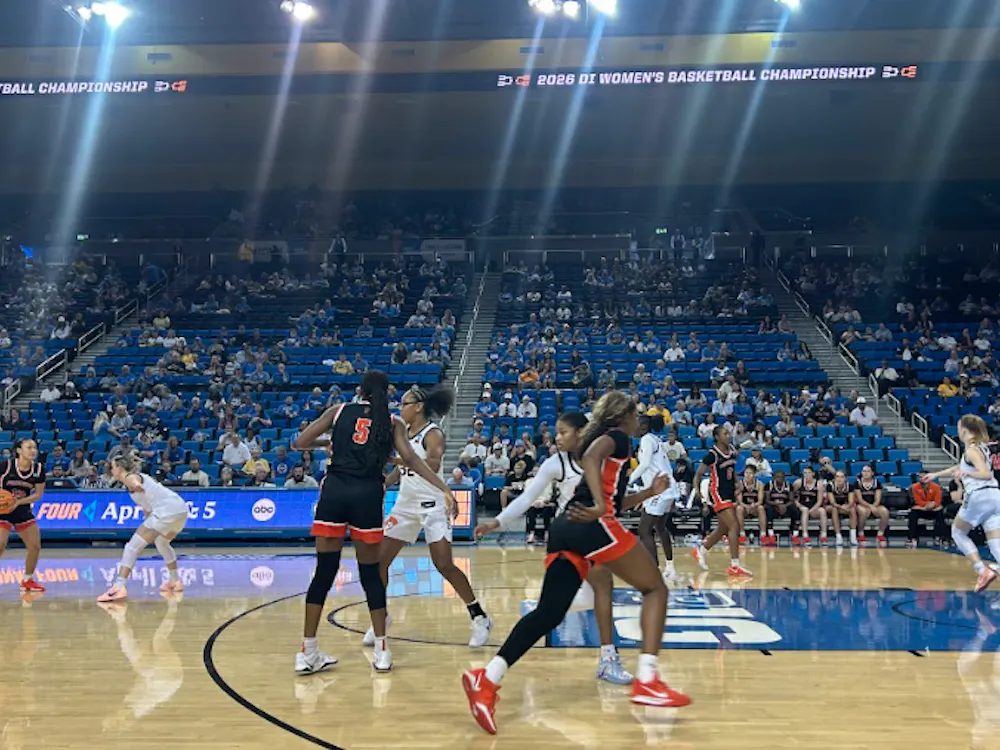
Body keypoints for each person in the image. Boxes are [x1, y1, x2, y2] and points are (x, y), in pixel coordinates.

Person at [462, 393, 690, 736]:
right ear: (624, 415)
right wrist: (600, 505)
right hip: (592, 524)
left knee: (549, 613)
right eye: (635, 413)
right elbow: (595, 464)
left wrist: (645, 493)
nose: (638, 418)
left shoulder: (610, 446)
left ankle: (487, 678)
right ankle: (648, 680)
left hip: (565, 528)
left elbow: (615, 497)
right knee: (655, 588)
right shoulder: (617, 438)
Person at [291, 370, 455, 675]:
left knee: (324, 574)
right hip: (367, 495)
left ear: (360, 391)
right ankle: (382, 651)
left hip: (334, 493)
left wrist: (331, 445)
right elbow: (413, 461)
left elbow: (300, 442)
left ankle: (307, 652)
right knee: (371, 574)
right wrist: (444, 488)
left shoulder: (338, 411)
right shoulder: (394, 423)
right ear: (388, 394)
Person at [475, 411, 634, 685]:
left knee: (595, 592)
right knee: (597, 590)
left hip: (594, 534)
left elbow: (616, 503)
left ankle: (604, 654)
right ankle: (607, 658)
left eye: (563, 432)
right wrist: (496, 522)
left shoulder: (604, 457)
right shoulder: (556, 463)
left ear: (582, 432)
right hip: (569, 536)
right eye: (556, 433)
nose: (556, 438)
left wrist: (649, 493)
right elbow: (527, 498)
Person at [362, 386, 493, 650]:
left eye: (405, 403)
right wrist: (384, 483)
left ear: (418, 406)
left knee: (443, 564)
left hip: (433, 505)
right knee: (378, 563)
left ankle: (479, 617)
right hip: (405, 505)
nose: (400, 407)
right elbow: (402, 472)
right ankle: (382, 616)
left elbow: (431, 464)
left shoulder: (433, 433)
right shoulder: (402, 433)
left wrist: (399, 460)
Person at [921, 415, 1000, 591]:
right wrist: (935, 475)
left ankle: (982, 570)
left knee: (957, 532)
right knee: (995, 542)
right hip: (995, 497)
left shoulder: (972, 450)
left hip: (979, 496)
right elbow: (960, 467)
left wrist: (967, 475)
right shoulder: (981, 448)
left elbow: (985, 474)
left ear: (964, 429)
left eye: (958, 427)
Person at [97, 452, 189, 602]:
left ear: (119, 468)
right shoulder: (137, 478)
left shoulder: (129, 478)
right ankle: (174, 581)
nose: (111, 470)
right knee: (161, 543)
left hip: (166, 510)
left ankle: (119, 587)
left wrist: (136, 485)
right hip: (180, 510)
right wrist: (149, 529)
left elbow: (134, 482)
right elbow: (147, 509)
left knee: (132, 547)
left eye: (112, 467)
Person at [692, 426, 752, 576]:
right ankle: (735, 565)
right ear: (717, 437)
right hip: (717, 492)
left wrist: (737, 482)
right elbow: (698, 474)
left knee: (722, 529)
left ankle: (701, 550)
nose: (728, 435)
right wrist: (698, 492)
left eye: (728, 432)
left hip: (730, 491)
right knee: (734, 525)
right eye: (725, 433)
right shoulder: (712, 454)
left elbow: (731, 470)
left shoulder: (731, 450)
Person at [630, 414, 678, 579]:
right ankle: (670, 568)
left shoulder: (646, 440)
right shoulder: (654, 439)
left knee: (644, 530)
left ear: (643, 427)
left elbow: (644, 465)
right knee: (660, 528)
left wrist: (629, 480)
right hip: (665, 489)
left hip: (661, 490)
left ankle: (654, 572)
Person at [0, 438, 47, 593]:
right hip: (2, 510)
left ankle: (27, 580)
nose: (33, 450)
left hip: (22, 509)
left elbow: (38, 495)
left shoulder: (39, 469)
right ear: (19, 450)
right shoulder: (5, 466)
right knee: (0, 544)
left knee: (35, 546)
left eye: (34, 447)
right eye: (29, 447)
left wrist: (18, 502)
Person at [791, 466, 827, 546]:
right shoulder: (798, 482)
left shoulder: (818, 484)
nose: (806, 475)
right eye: (805, 473)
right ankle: (805, 535)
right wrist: (798, 505)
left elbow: (819, 501)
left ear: (813, 474)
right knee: (805, 510)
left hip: (814, 507)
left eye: (808, 473)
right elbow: (792, 496)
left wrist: (812, 510)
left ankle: (823, 535)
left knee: (822, 511)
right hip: (802, 507)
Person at [854, 464, 889, 545]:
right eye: (864, 471)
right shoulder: (857, 483)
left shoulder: (877, 483)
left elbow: (878, 498)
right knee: (863, 512)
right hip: (862, 504)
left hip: (875, 504)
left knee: (885, 512)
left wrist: (873, 506)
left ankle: (880, 534)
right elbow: (860, 499)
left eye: (868, 471)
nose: (865, 473)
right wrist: (870, 507)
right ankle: (860, 533)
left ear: (872, 473)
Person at [908, 476, 945, 547]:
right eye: (920, 477)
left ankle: (942, 537)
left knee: (940, 512)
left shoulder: (936, 487)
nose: (922, 479)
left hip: (933, 509)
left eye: (925, 477)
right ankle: (912, 538)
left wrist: (933, 504)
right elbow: (917, 501)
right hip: (921, 509)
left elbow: (938, 501)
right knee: (913, 513)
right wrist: (927, 506)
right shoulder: (914, 487)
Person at [735, 465, 766, 545]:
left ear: (754, 474)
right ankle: (742, 534)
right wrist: (746, 506)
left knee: (761, 508)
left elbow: (760, 500)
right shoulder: (740, 484)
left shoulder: (759, 484)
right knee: (739, 508)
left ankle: (763, 534)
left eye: (750, 473)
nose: (748, 475)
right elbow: (740, 501)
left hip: (754, 508)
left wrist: (753, 505)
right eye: (746, 473)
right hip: (744, 508)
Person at [827, 469, 858, 547]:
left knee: (853, 509)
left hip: (845, 506)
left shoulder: (849, 486)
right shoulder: (830, 486)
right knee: (834, 509)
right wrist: (842, 507)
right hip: (831, 506)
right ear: (834, 478)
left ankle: (853, 536)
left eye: (841, 477)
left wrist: (846, 506)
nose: (839, 479)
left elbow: (851, 501)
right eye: (837, 477)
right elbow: (832, 502)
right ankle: (838, 536)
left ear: (845, 478)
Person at [763, 469, 794, 546]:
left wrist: (784, 506)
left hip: (785, 507)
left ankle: (794, 534)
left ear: (784, 478)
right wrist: (777, 505)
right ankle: (770, 534)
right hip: (773, 507)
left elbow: (791, 500)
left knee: (795, 511)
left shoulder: (789, 485)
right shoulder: (769, 485)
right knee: (768, 510)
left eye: (781, 477)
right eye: (777, 477)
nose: (779, 479)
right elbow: (767, 500)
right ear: (773, 477)